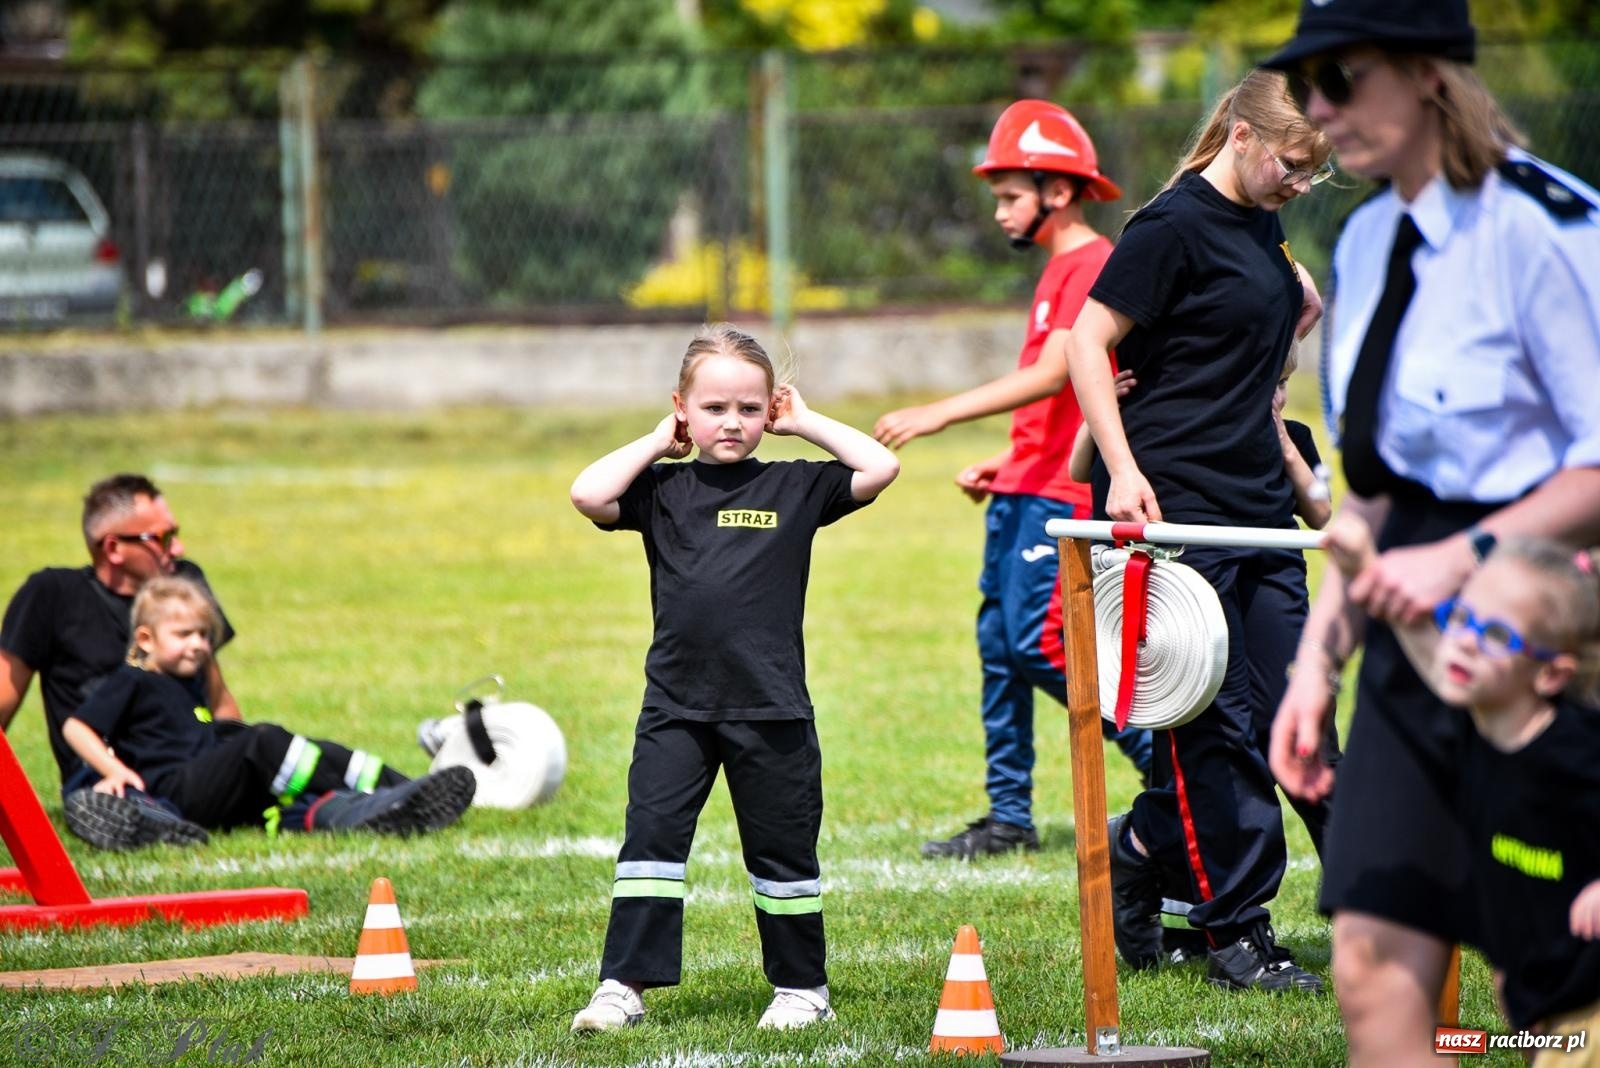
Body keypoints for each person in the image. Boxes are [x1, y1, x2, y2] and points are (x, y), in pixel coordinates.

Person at [1261, 0, 1600, 1058]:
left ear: (1426, 73)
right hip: (1406, 635)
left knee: (1550, 985)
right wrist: (1317, 668)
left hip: (1543, 633)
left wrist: (1462, 556)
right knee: (1367, 954)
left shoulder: (1547, 225)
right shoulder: (1362, 241)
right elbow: (1373, 491)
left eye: (1341, 78)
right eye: (1305, 87)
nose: (1319, 109)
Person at [1064, 68, 1331, 991]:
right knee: (1213, 731)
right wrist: (1124, 471)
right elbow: (1084, 343)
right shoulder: (1170, 226)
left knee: (1299, 716)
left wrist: (1296, 319)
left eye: (1314, 174)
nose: (1301, 184)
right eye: (1293, 166)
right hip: (1175, 507)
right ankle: (1236, 932)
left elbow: (1260, 321)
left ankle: (1140, 848)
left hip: (1263, 509)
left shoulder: (1264, 222)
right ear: (1246, 139)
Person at [566, 324, 898, 1033]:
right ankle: (623, 984)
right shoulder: (663, 490)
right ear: (683, 406)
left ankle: (801, 988)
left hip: (772, 708)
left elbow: (879, 468)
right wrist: (660, 439)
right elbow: (587, 494)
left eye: (750, 409)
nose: (733, 423)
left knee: (783, 855)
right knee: (650, 846)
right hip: (676, 709)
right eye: (714, 407)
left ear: (769, 409)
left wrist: (805, 424)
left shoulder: (796, 483)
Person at [872, 99, 1152, 861]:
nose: (998, 213)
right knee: (998, 648)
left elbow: (1059, 370)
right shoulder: (1057, 268)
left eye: (1009, 196)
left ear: (1056, 192)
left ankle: (1168, 773)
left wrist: (939, 414)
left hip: (1060, 499)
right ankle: (1008, 816)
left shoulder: (1092, 264)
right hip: (1023, 487)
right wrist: (1007, 462)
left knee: (1039, 645)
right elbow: (1061, 403)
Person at [1322, 524, 1600, 1059]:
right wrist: (1362, 569)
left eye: (1496, 635)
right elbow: (1428, 643)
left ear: (1550, 676)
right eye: (1462, 619)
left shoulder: (1576, 751)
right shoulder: (1479, 730)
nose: (1467, 640)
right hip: (1542, 1003)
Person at [1071, 345, 1339, 863]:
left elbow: (1322, 511)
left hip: (1267, 589)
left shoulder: (1296, 437)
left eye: (1280, 384)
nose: (1271, 395)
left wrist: (1283, 439)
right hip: (1179, 611)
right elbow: (1080, 469)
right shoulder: (1154, 436)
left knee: (1291, 737)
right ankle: (1156, 870)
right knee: (1193, 752)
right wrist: (1099, 414)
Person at [61, 575, 476, 841]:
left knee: (306, 764)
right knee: (262, 741)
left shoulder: (189, 683)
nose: (200, 645)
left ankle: (389, 799)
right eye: (185, 633)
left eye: (205, 635)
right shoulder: (132, 679)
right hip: (172, 791)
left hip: (211, 794)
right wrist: (114, 771)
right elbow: (76, 727)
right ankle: (152, 823)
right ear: (146, 640)